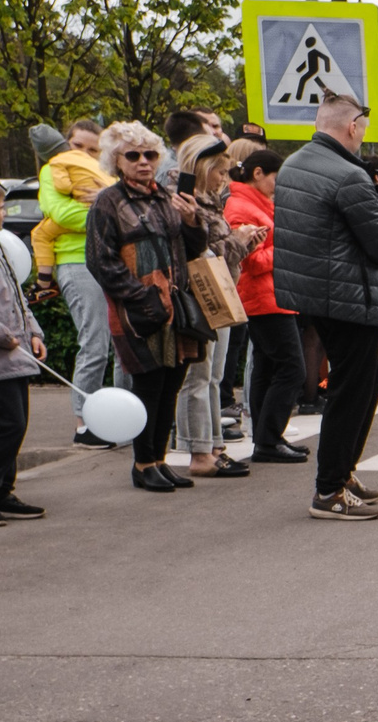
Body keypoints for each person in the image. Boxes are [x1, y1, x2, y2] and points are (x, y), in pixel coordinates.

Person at [271, 92, 378, 521]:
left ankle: (342, 472)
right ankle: (329, 489)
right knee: (354, 390)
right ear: (353, 126)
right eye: (363, 129)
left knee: (359, 386)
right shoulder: (348, 175)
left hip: (313, 293)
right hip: (350, 295)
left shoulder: (293, 164)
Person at [85, 122, 209, 493]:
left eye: (150, 155)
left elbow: (195, 248)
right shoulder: (109, 201)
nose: (143, 162)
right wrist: (141, 295)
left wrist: (191, 220)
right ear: (116, 160)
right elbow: (100, 260)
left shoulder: (165, 196)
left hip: (175, 305)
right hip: (138, 309)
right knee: (149, 384)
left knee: (172, 381)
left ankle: (159, 460)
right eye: (133, 155)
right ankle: (142, 464)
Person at [163, 131, 249, 479]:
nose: (223, 178)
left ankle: (213, 446)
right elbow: (199, 251)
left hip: (220, 289)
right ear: (202, 167)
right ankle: (198, 450)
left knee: (214, 375)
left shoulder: (208, 200)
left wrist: (238, 242)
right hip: (199, 292)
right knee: (199, 376)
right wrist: (239, 242)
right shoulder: (182, 200)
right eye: (219, 171)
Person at [222, 147, 305, 463]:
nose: (278, 185)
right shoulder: (242, 206)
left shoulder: (255, 204)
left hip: (272, 295)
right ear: (258, 174)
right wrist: (287, 249)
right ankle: (269, 439)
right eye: (275, 178)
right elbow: (250, 260)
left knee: (269, 370)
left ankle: (268, 439)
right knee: (291, 369)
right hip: (263, 297)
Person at [37, 120, 117, 447]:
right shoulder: (52, 171)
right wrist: (110, 211)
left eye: (93, 149)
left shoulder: (106, 179)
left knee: (121, 346)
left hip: (111, 261)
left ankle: (118, 417)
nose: (84, 154)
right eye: (77, 146)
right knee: (95, 343)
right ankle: (85, 424)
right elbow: (60, 214)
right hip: (75, 262)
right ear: (65, 145)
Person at [0, 210, 48, 519]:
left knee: (16, 423)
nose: (2, 212)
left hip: (14, 354)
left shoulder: (0, 245)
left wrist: (33, 333)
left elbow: (16, 296)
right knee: (9, 424)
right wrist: (3, 335)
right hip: (2, 351)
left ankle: (3, 491)